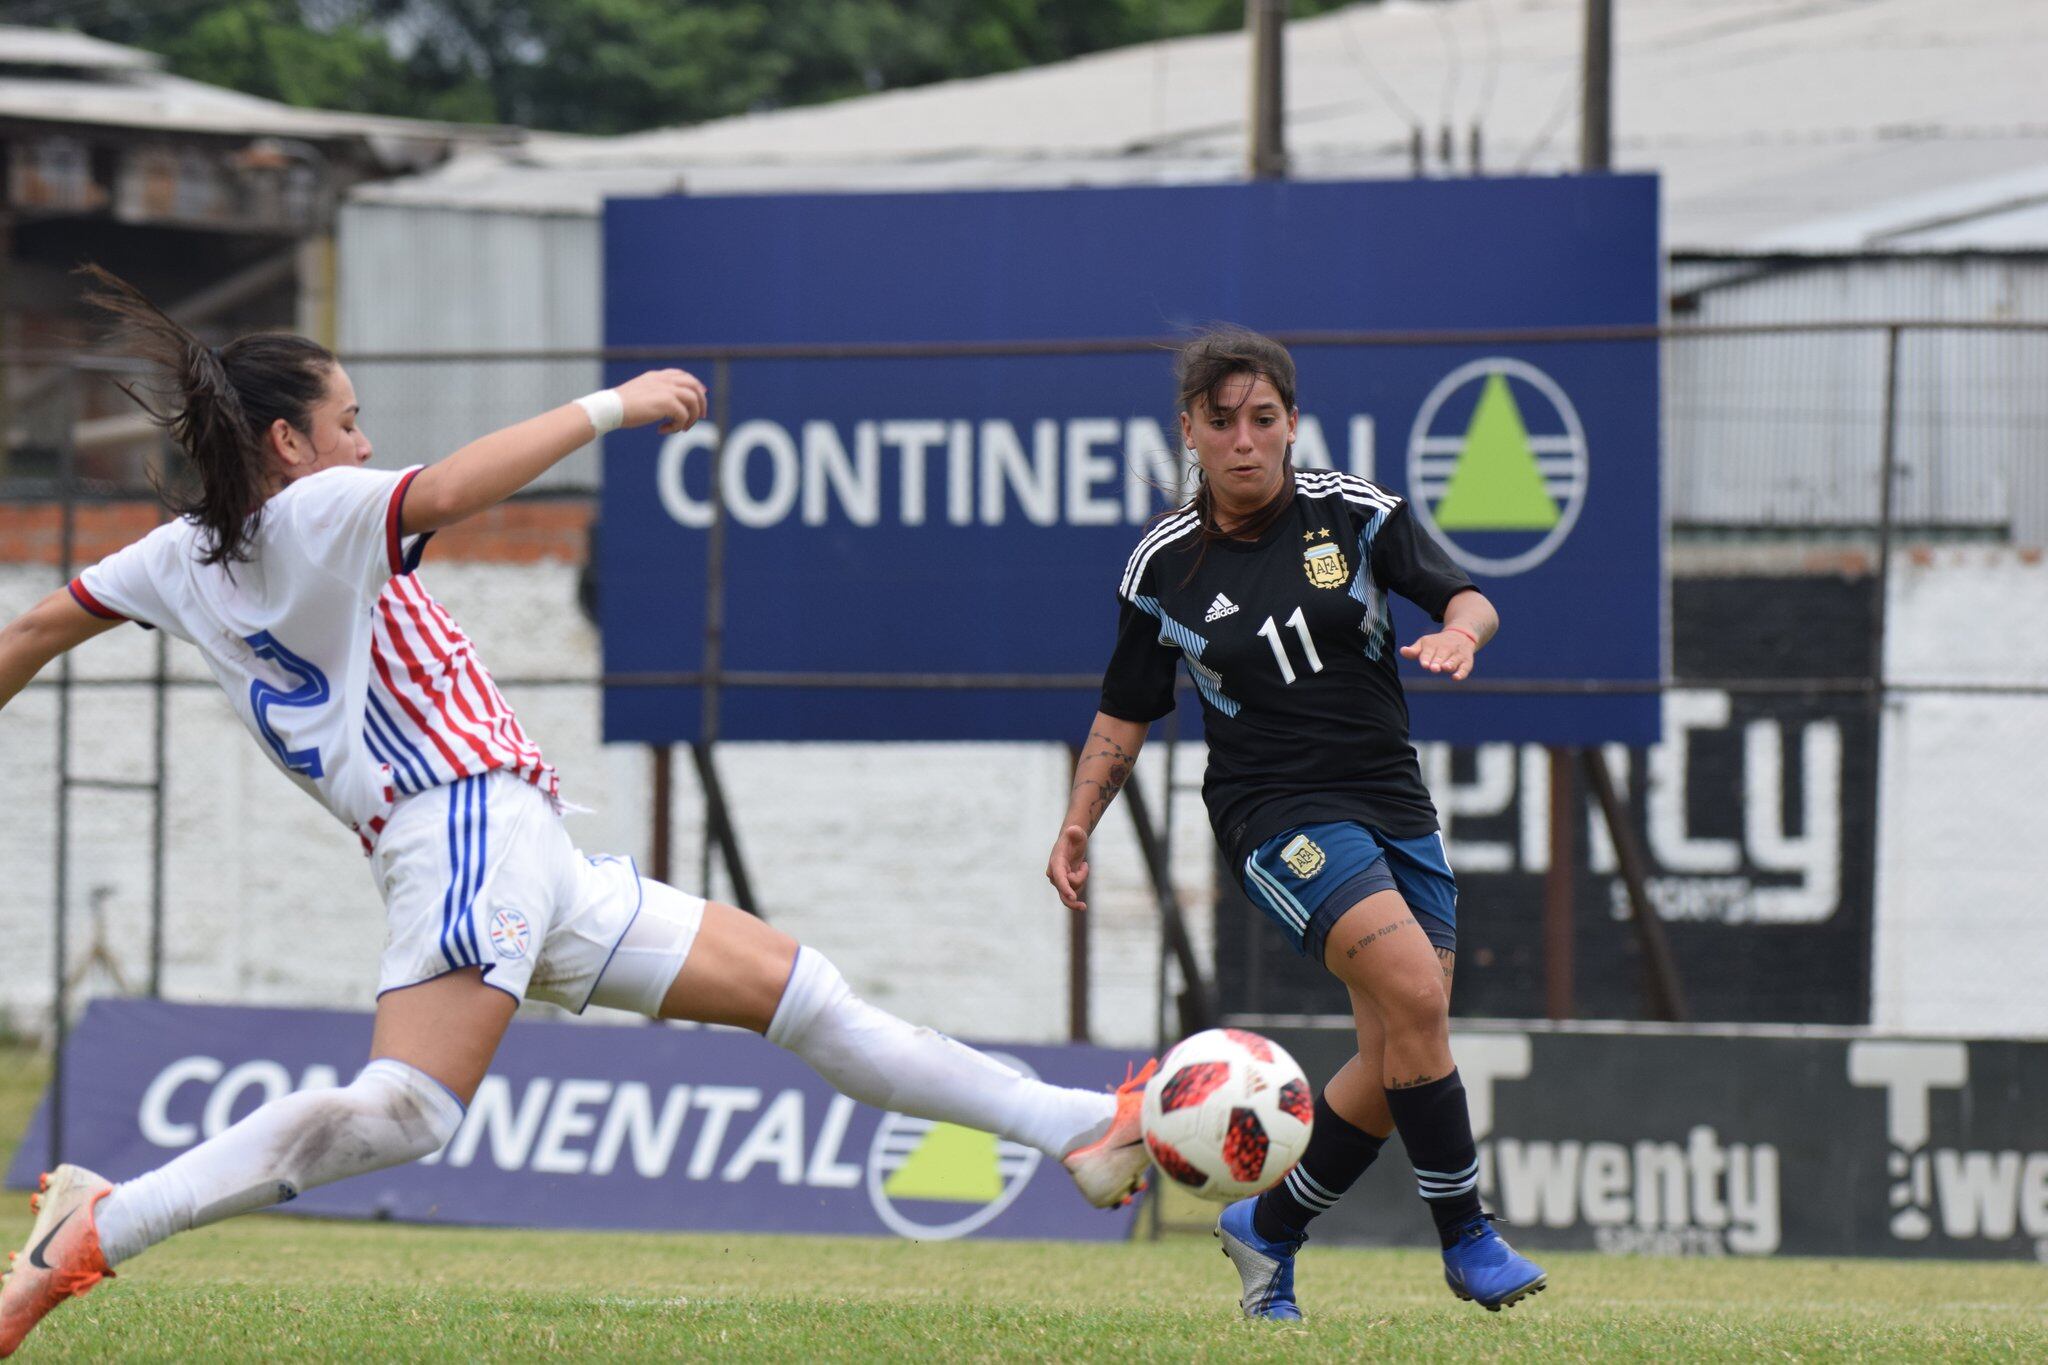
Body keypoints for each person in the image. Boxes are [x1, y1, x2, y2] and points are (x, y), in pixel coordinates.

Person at [0, 268, 1153, 1358]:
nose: (363, 442)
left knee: (804, 998)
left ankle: (1076, 1127)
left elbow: (36, 628)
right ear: (286, 443)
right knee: (407, 1110)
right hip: (463, 823)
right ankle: (105, 1222)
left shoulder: (174, 559)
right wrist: (614, 405)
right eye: (347, 420)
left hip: (516, 850)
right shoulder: (318, 508)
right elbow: (451, 490)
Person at [1045, 327, 1545, 1320]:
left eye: (1262, 419)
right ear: (1189, 431)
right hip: (1274, 813)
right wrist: (1077, 820)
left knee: (1404, 1047)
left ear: (1291, 424)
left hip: (1391, 798)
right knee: (1415, 993)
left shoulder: (1352, 513)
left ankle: (1266, 1229)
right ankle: (1467, 1236)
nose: (1244, 440)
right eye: (1221, 421)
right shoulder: (1162, 566)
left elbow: (1467, 597)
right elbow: (1126, 710)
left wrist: (1459, 632)